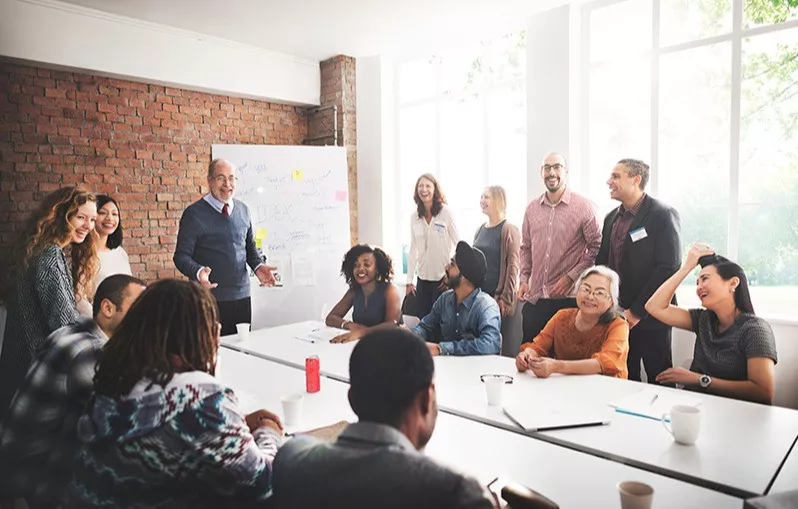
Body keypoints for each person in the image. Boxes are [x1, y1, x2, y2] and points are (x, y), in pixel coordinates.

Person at [66, 279, 284, 508]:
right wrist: (268, 433)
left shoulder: (112, 384)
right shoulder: (199, 401)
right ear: (200, 335)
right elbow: (262, 486)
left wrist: (235, 425)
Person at [271, 328, 495, 509]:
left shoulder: (290, 462)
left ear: (352, 400)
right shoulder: (458, 495)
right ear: (427, 398)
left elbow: (299, 445)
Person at [0, 274, 146, 508]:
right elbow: (128, 418)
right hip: (33, 482)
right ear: (107, 308)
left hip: (16, 463)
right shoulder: (88, 352)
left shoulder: (74, 331)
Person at [0, 187, 98, 420]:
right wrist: (100, 332)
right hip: (34, 370)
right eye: (81, 217)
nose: (88, 225)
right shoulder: (50, 255)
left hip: (16, 365)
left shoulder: (35, 250)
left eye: (92, 219)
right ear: (62, 216)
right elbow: (63, 323)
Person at [646, 243, 777, 404]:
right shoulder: (703, 319)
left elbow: (763, 392)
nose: (699, 287)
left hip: (734, 414)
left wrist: (699, 379)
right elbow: (653, 307)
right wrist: (686, 267)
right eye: (697, 283)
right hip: (696, 406)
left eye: (705, 279)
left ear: (733, 283)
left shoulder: (755, 330)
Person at [596, 158, 682, 383]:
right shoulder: (610, 219)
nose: (609, 181)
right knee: (623, 377)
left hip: (652, 316)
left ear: (636, 180)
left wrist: (636, 311)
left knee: (660, 378)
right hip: (617, 315)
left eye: (616, 176)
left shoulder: (662, 214)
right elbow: (603, 264)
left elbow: (669, 267)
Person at [174, 158, 277, 336]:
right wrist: (199, 272)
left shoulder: (244, 210)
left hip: (242, 297)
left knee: (242, 350)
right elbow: (181, 257)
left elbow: (250, 249)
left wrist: (259, 267)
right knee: (211, 353)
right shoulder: (193, 214)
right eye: (220, 178)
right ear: (209, 180)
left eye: (231, 178)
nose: (227, 184)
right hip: (209, 298)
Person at [518, 153, 602, 344]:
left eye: (557, 167)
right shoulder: (531, 209)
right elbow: (526, 247)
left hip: (568, 302)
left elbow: (596, 247)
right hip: (536, 301)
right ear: (541, 173)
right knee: (528, 358)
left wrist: (571, 277)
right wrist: (524, 279)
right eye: (547, 168)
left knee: (565, 364)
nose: (551, 172)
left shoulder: (584, 207)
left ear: (566, 171)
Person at [516, 266, 630, 379]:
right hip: (566, 389)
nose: (590, 296)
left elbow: (604, 363)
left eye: (599, 293)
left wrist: (556, 366)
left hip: (607, 391)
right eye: (585, 289)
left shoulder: (618, 325)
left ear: (611, 301)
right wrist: (526, 355)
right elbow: (538, 347)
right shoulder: (562, 316)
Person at [411, 241, 501, 356]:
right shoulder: (444, 299)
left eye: (452, 264)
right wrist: (410, 338)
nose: (446, 267)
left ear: (464, 276)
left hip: (475, 371)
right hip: (446, 370)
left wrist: (442, 348)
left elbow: (491, 344)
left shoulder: (486, 306)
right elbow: (426, 327)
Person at [406, 173, 460, 319]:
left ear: (435, 189)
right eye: (420, 186)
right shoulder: (414, 217)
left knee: (442, 323)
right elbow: (413, 250)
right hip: (422, 279)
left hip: (442, 280)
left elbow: (459, 244)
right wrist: (409, 281)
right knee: (424, 321)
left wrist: (451, 275)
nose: (424, 189)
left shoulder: (446, 213)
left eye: (428, 186)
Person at [325, 244, 401, 343]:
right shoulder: (354, 292)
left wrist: (362, 332)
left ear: (377, 268)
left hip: (393, 344)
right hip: (367, 344)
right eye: (355, 265)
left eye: (367, 264)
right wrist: (349, 325)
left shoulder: (390, 290)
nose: (360, 269)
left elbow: (392, 324)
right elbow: (330, 318)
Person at [75, 194, 134, 317]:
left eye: (114, 214)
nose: (110, 218)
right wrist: (99, 323)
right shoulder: (82, 254)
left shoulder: (120, 252)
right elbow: (79, 299)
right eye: (102, 213)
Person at [473, 186, 520, 320]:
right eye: (481, 197)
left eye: (486, 197)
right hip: (476, 297)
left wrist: (506, 299)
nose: (482, 200)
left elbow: (513, 266)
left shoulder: (509, 229)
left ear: (498, 200)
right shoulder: (480, 229)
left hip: (495, 299)